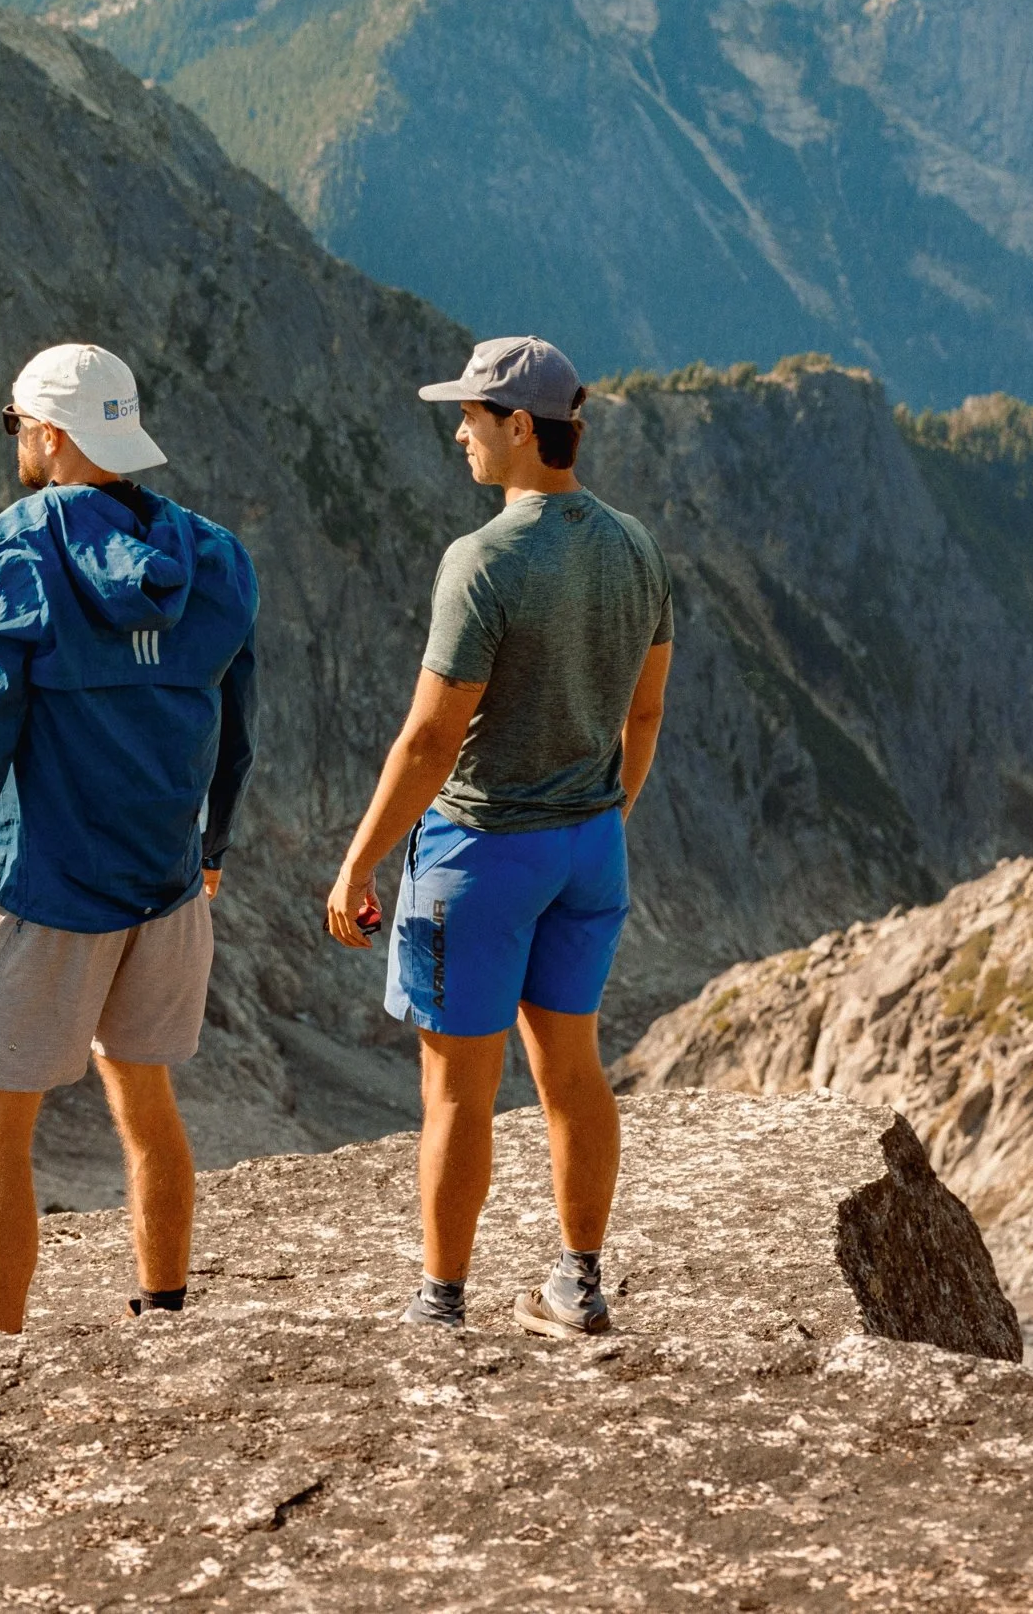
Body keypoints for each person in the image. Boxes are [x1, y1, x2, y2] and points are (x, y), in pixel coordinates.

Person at [0, 341, 259, 1335]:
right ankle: (165, 1311)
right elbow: (238, 727)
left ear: (50, 434)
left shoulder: (12, 560)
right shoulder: (215, 560)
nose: (17, 443)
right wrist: (211, 850)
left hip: (43, 892)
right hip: (169, 890)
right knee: (145, 1094)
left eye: (18, 426)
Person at [325, 334, 671, 1339]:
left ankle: (439, 1304)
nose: (460, 431)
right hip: (588, 847)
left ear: (520, 428)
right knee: (573, 1067)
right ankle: (578, 1285)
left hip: (479, 854)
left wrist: (359, 860)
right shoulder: (636, 547)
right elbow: (642, 717)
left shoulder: (482, 561)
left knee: (456, 1090)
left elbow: (433, 737)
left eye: (473, 415)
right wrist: (608, 813)